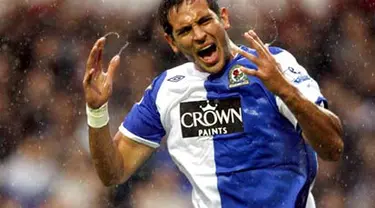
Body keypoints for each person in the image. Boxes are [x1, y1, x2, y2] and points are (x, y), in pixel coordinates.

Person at [82, 0, 344, 207]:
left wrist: (286, 91)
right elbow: (113, 173)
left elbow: (333, 146)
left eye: (205, 21)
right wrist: (96, 111)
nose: (199, 35)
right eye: (185, 30)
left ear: (225, 19)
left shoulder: (272, 65)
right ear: (171, 42)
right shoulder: (167, 90)